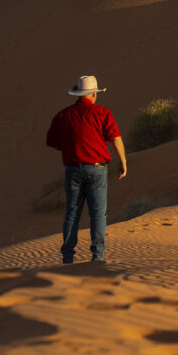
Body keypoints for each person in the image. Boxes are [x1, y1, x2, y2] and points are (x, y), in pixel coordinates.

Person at [45, 74, 127, 263]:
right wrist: (123, 161)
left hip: (73, 169)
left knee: (72, 213)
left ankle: (67, 257)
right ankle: (97, 257)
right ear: (93, 94)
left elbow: (52, 141)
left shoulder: (62, 115)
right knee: (98, 213)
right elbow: (115, 138)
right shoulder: (103, 113)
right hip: (97, 169)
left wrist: (68, 146)